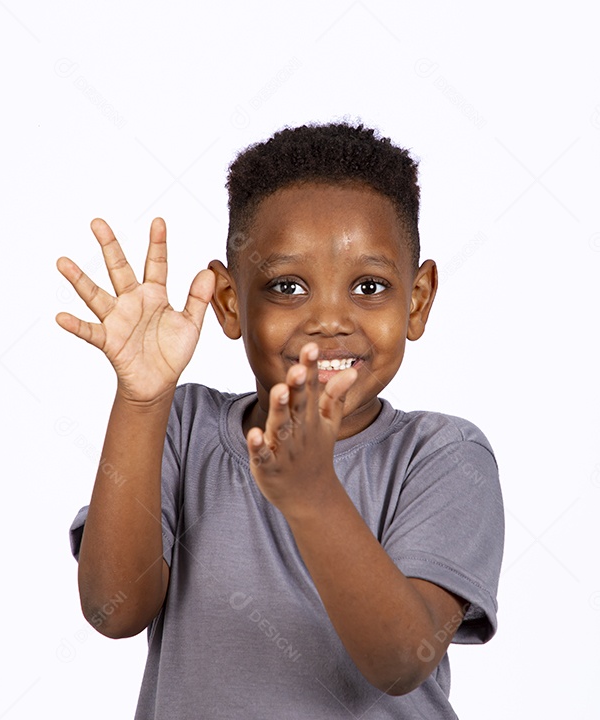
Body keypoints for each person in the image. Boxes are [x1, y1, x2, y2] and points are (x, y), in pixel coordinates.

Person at [56, 122, 504, 718]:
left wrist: (313, 496)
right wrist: (142, 401)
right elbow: (113, 609)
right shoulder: (183, 427)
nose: (328, 319)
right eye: (287, 287)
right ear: (231, 302)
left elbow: (402, 659)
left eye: (369, 286)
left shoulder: (443, 455)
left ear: (417, 300)